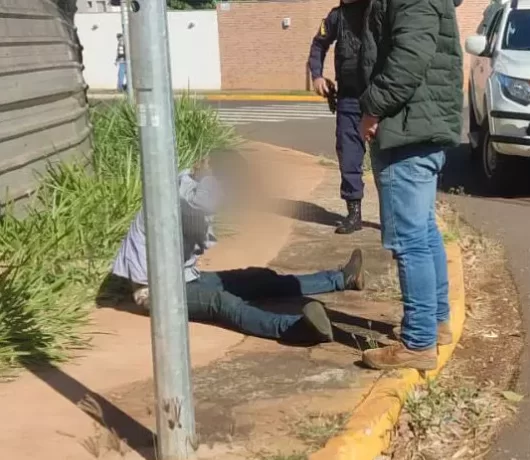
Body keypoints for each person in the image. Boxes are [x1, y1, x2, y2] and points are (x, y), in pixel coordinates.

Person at [110, 151, 366, 344]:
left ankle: (341, 278)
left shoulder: (195, 184)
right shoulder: (187, 191)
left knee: (258, 278)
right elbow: (204, 202)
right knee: (223, 303)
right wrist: (215, 178)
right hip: (156, 292)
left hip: (184, 278)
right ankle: (295, 329)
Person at [353, 0, 463, 370]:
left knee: (409, 239)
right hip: (416, 127)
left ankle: (418, 343)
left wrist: (371, 108)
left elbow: (408, 61)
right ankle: (435, 324)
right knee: (424, 232)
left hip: (407, 132)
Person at [308, 0, 367, 235]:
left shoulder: (378, 8)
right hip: (348, 99)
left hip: (380, 97)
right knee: (349, 156)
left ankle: (393, 216)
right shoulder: (336, 17)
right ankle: (354, 214)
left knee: (388, 162)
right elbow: (318, 44)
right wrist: (317, 76)